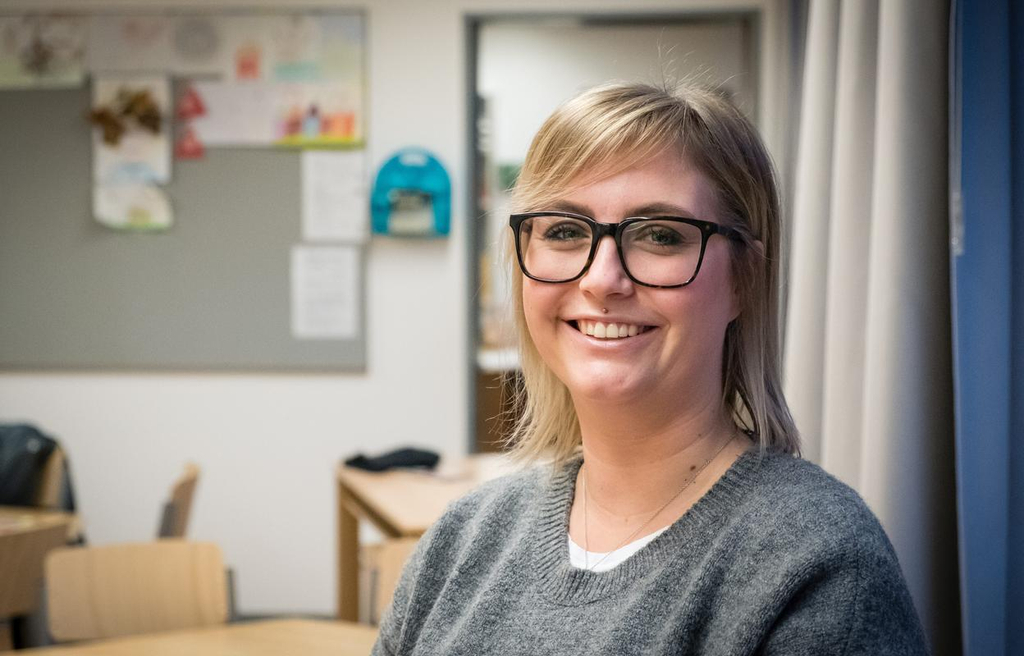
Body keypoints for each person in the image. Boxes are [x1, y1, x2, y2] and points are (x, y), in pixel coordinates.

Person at [371, 82, 930, 655]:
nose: (601, 280)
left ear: (745, 279)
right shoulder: (465, 537)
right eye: (564, 230)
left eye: (660, 236)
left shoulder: (818, 567)